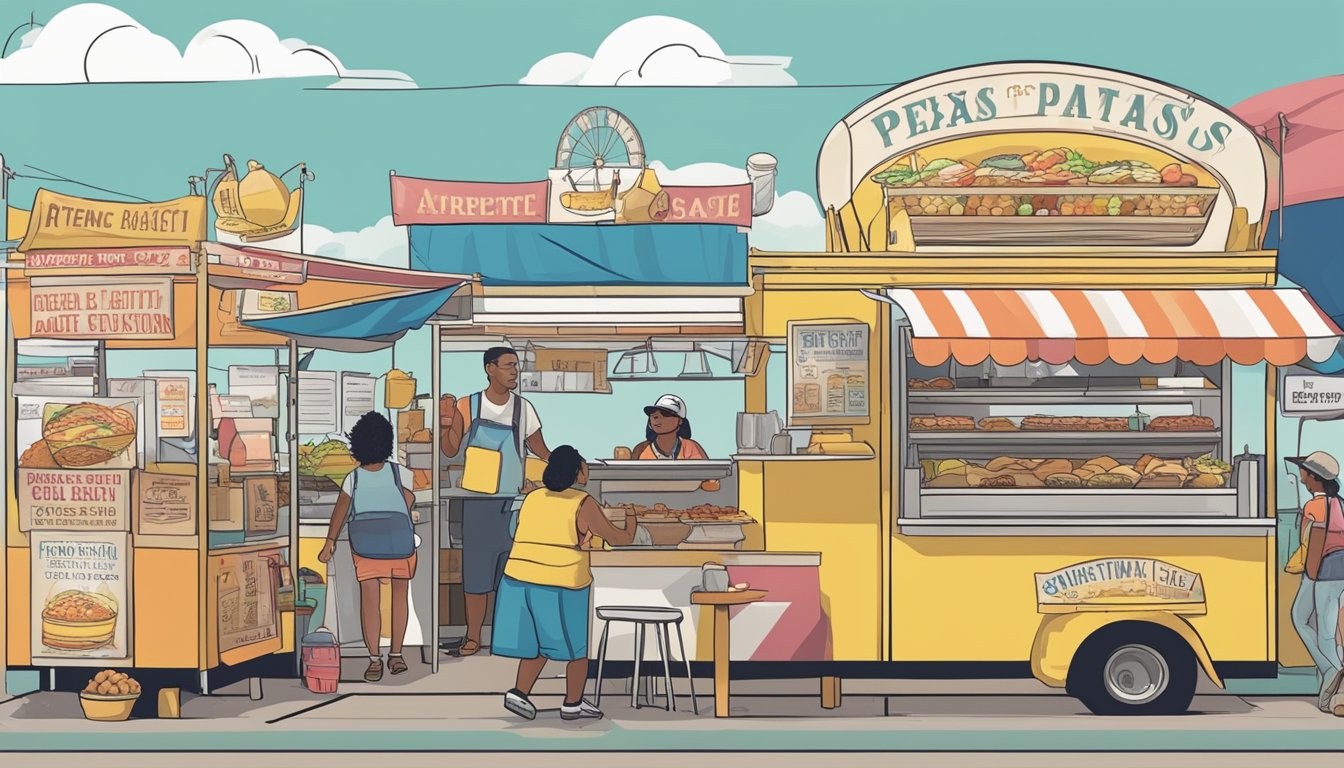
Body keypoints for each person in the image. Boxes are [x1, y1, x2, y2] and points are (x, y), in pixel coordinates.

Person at [493, 445, 638, 721]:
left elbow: (516, 531)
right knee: (577, 649)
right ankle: (572, 703)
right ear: (575, 470)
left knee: (536, 645)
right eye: (584, 465)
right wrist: (632, 520)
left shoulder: (533, 497)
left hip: (518, 580)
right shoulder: (582, 502)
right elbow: (619, 539)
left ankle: (519, 693)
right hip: (560, 582)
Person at [439, 347, 551, 657]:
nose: (515, 371)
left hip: (513, 503)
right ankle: (473, 637)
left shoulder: (524, 409)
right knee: (476, 575)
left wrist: (566, 465)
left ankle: (507, 638)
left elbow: (541, 449)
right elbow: (450, 451)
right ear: (490, 369)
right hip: (477, 504)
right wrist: (447, 422)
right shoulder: (468, 405)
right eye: (508, 366)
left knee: (511, 574)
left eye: (516, 366)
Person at [318, 412, 418, 682]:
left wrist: (329, 543)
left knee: (370, 603)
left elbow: (340, 512)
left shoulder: (353, 478)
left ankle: (374, 659)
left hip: (366, 547)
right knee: (400, 601)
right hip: (400, 545)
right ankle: (396, 655)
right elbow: (409, 500)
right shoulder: (402, 473)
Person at [1287, 451, 1344, 715]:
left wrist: (1306, 571)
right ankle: (1329, 685)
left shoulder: (1313, 507)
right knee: (1328, 629)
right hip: (1339, 571)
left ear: (1315, 478)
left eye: (1305, 473)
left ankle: (1331, 674)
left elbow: (1309, 543)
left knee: (1312, 625)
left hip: (1320, 571)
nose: (1302, 478)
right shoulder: (1341, 504)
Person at [632, 394, 709, 460]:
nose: (657, 417)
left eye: (666, 414)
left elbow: (707, 475)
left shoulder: (690, 447)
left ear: (680, 421)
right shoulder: (641, 449)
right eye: (654, 414)